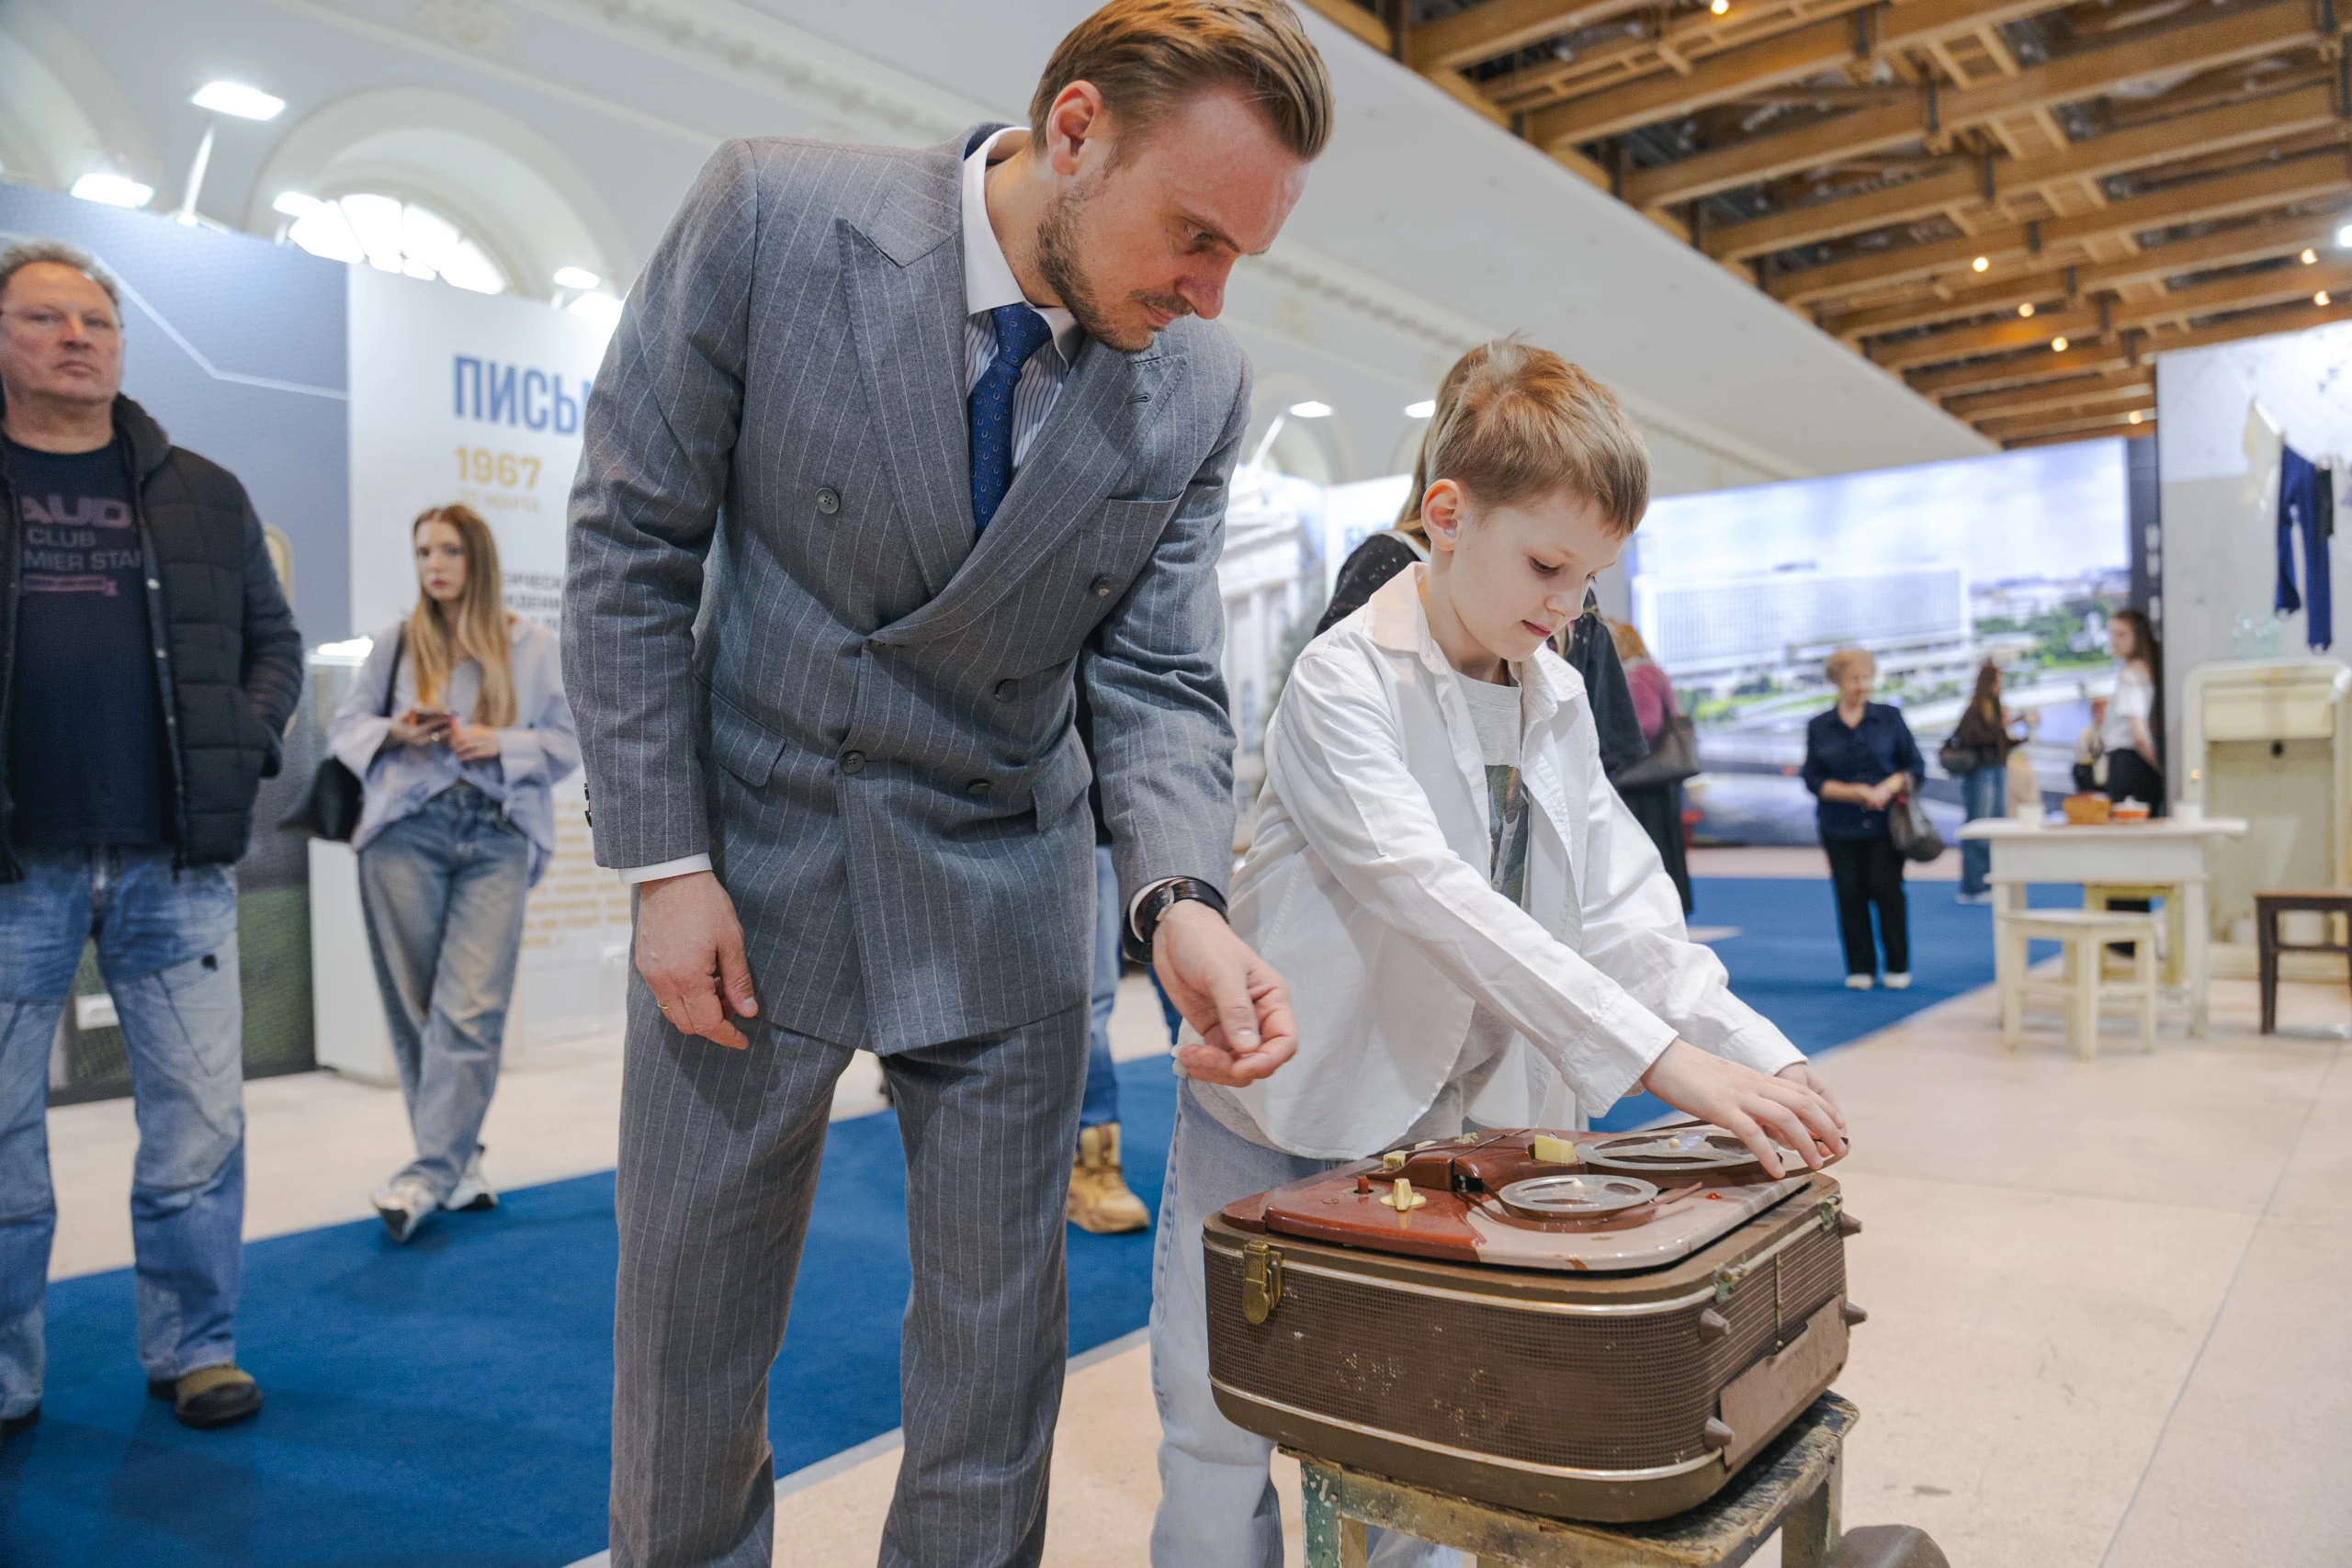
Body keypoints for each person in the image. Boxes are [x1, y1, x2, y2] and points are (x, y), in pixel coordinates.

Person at [561, 6, 1329, 1562]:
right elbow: (629, 541)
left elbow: (1157, 676)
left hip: (1005, 881)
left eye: (1241, 256)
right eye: (1194, 235)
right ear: (1075, 132)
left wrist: (1180, 898)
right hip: (750, 865)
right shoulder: (773, 214)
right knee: (691, 1338)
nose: (1208, 293)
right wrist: (664, 862)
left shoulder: (1198, 382)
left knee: (995, 1375)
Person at [1149, 340, 1846, 1568]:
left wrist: (1764, 1057)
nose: (1567, 608)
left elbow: (1624, 906)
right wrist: (1666, 1062)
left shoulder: (1554, 692)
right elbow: (1436, 895)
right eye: (1546, 566)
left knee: (1422, 1438)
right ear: (1446, 514)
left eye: (1590, 579)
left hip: (1447, 1125)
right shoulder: (1341, 679)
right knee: (1216, 1422)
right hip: (1285, 1100)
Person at [0, 241, 302, 1438]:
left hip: (173, 865)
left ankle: (196, 1347)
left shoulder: (205, 493)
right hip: (12, 870)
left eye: (97, 320)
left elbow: (275, 643)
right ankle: (7, 1373)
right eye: (44, 317)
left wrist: (246, 733)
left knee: (198, 1123)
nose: (76, 337)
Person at [328, 504, 578, 1244]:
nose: (433, 565)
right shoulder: (398, 641)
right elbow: (345, 728)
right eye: (423, 552)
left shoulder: (534, 646)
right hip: (405, 831)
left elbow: (568, 743)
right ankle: (458, 1163)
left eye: (448, 551)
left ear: (479, 559)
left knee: (471, 1007)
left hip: (496, 833)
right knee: (418, 1009)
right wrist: (398, 730)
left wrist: (498, 742)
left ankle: (425, 1176)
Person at [1802, 649, 1924, 990]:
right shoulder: (1819, 726)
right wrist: (1853, 792)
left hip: (1886, 824)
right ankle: (1860, 967)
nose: (1862, 685)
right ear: (1836, 681)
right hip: (1838, 825)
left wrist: (1888, 787)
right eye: (1854, 679)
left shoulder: (1889, 718)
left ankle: (1897, 965)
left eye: (1867, 678)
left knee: (1888, 893)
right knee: (1849, 894)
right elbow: (1813, 779)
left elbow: (1915, 767)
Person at [1610, 617, 1693, 912]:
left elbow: (1646, 725)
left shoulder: (1638, 674)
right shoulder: (1651, 671)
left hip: (1641, 778)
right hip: (1656, 779)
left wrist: (1614, 757)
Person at [1942, 660, 2019, 903]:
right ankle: (1974, 885)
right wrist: (2000, 729)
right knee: (1978, 827)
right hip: (1980, 772)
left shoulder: (1992, 709)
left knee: (1995, 826)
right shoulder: (1975, 711)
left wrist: (2014, 730)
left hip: (1995, 769)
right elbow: (1972, 738)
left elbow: (2001, 742)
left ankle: (1990, 880)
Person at [2098, 608, 2163, 812]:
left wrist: (2161, 767)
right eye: (2111, 634)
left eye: (2122, 635)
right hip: (2136, 765)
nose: (2114, 642)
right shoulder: (2146, 670)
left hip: (2129, 766)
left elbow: (2139, 735)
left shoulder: (2131, 675)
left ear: (2138, 636)